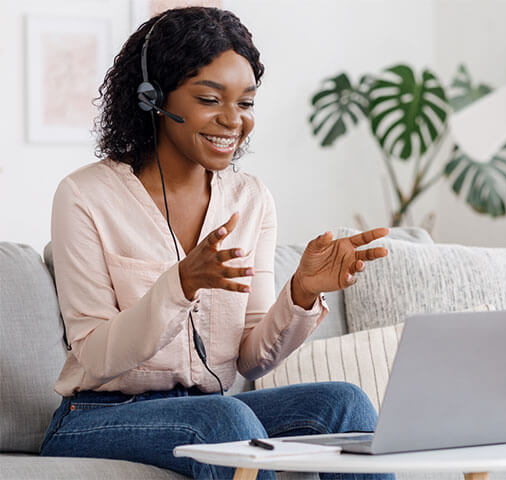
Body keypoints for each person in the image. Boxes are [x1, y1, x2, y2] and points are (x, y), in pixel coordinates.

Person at [39, 7, 395, 480]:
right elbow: (94, 356)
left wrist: (302, 293)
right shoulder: (85, 195)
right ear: (152, 99)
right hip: (97, 416)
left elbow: (251, 358)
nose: (233, 121)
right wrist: (179, 285)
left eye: (246, 104)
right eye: (211, 99)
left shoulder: (251, 200)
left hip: (209, 409)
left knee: (343, 404)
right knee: (226, 420)